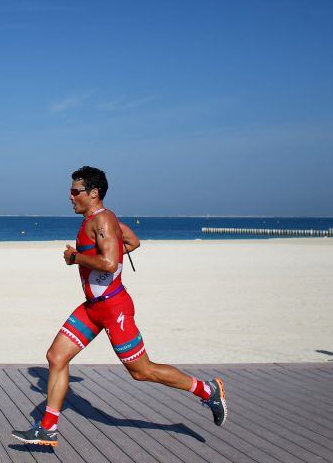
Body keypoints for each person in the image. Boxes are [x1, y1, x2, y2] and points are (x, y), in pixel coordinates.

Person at [12, 166, 227, 448]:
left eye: (76, 191)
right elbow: (133, 241)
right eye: (71, 191)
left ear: (93, 193)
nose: (70, 196)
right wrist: (104, 249)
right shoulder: (102, 220)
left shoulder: (102, 222)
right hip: (92, 308)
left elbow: (110, 263)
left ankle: (206, 390)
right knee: (56, 357)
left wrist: (77, 257)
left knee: (141, 371)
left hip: (114, 308)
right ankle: (48, 428)